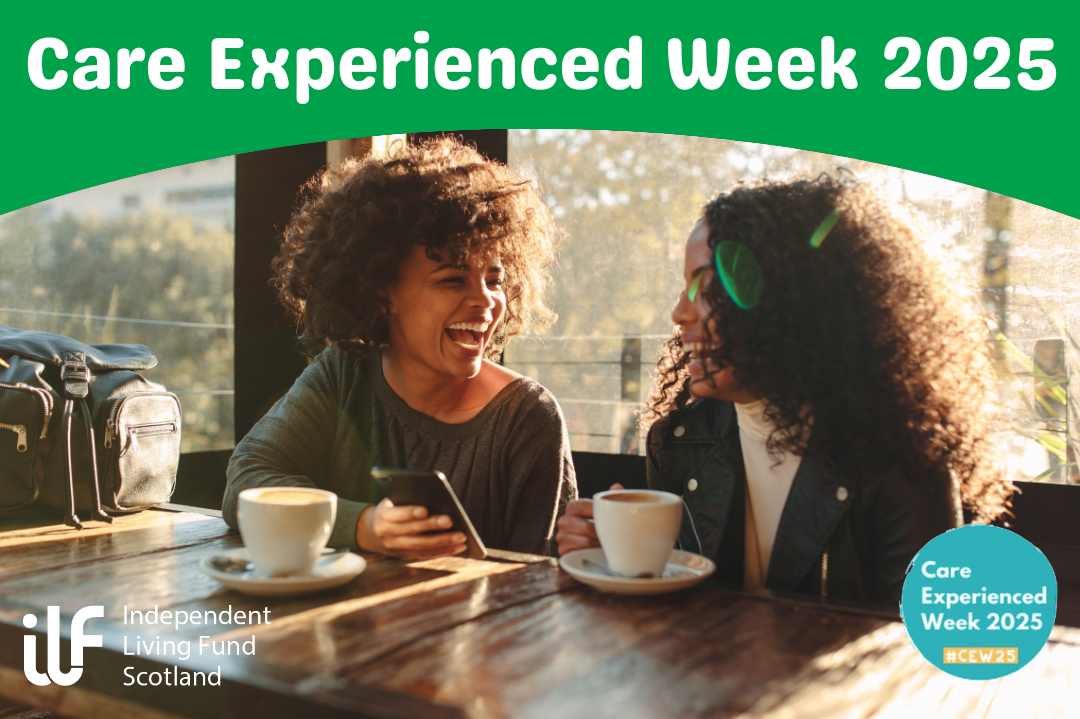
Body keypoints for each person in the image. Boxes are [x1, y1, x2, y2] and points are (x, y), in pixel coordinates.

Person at [557, 174, 1011, 605]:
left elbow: (914, 647)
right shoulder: (678, 442)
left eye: (710, 287)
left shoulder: (901, 464)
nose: (680, 313)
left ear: (796, 300)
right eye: (685, 287)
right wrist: (615, 558)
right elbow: (675, 605)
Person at [224, 138, 576, 558]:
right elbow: (246, 482)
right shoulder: (343, 375)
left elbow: (541, 579)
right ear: (381, 291)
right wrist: (362, 526)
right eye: (453, 279)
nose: (486, 301)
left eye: (495, 280)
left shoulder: (528, 417)